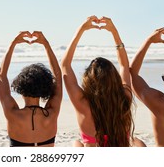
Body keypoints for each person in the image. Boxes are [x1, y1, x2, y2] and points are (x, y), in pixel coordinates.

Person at [61, 16, 145, 147]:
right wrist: (113, 32)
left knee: (76, 143)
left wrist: (81, 30)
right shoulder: (124, 98)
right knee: (138, 142)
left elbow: (65, 65)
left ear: (88, 80)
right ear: (114, 78)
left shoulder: (82, 103)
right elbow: (124, 66)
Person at [0, 31, 62, 147]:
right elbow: (58, 76)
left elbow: (1, 76)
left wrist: (13, 44)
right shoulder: (52, 113)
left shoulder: (12, 113)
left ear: (21, 89)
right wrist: (46, 44)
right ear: (46, 88)